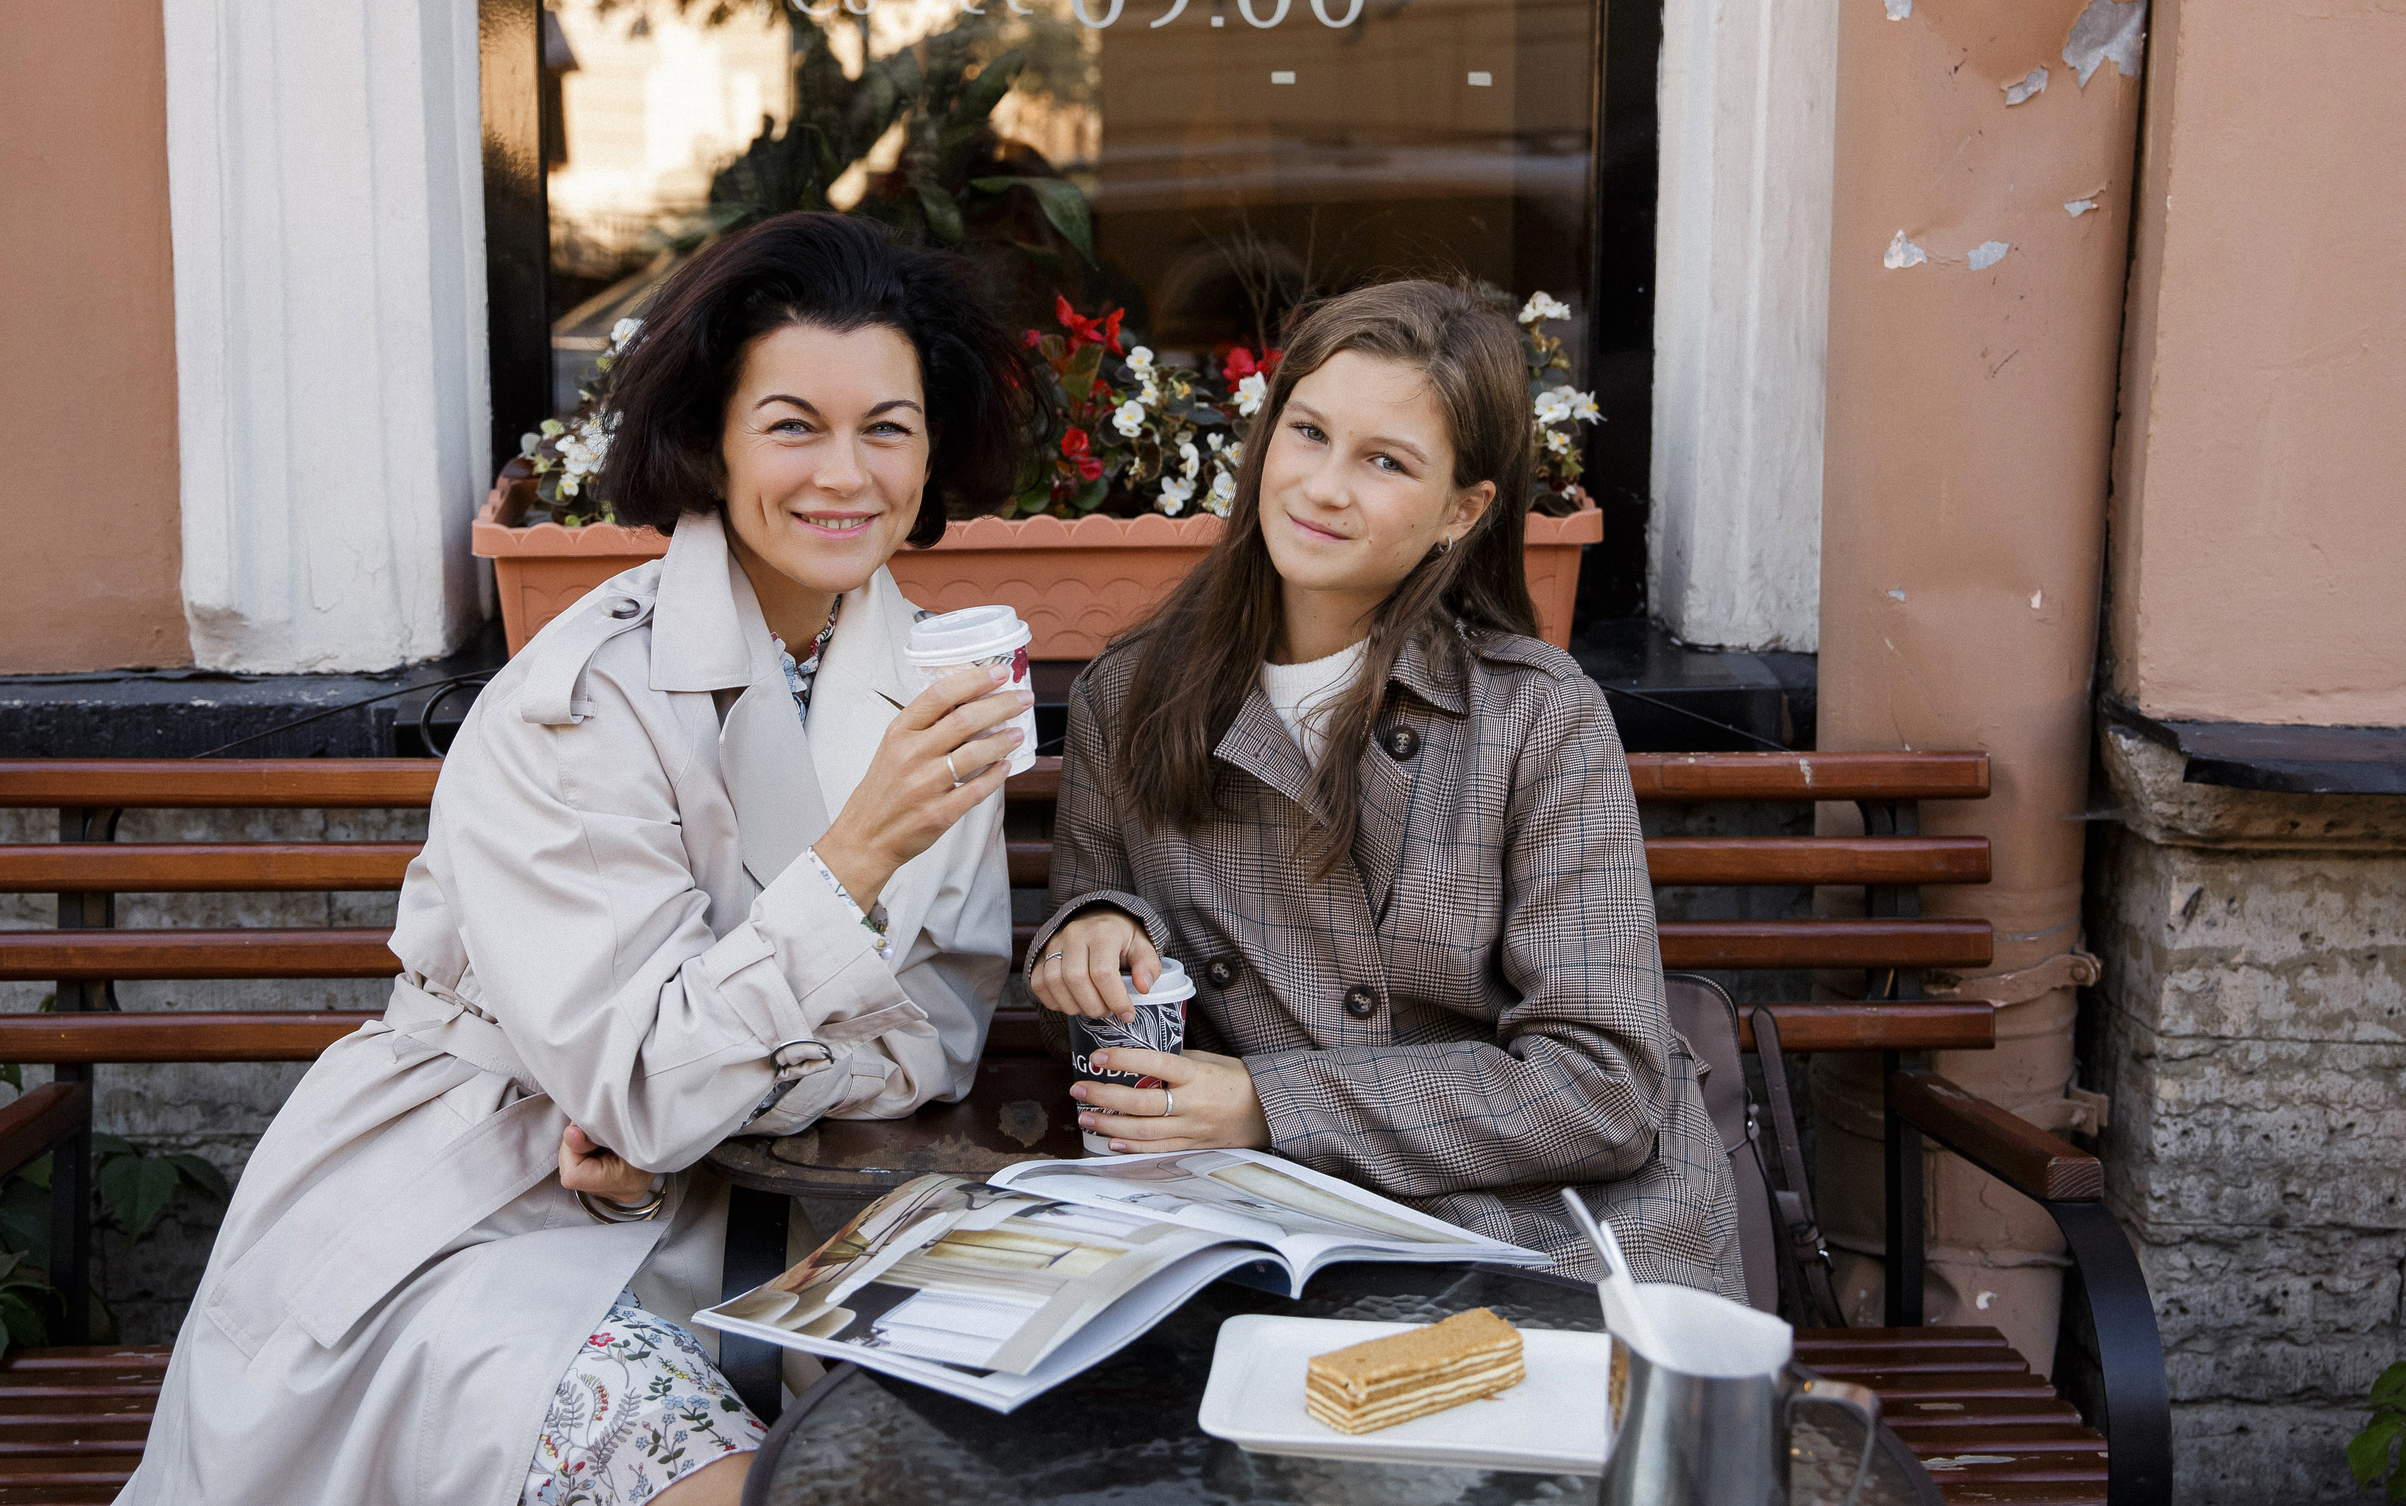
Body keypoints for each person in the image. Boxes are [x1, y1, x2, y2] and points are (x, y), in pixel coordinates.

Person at [121, 213, 1041, 1506]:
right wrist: (853, 861)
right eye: (793, 425)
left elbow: (933, 1033)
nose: (845, 473)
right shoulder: (580, 701)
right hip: (494, 1210)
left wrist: (710, 1094)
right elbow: (645, 1085)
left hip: (794, 1212)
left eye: (886, 427)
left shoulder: (935, 682)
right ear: (711, 439)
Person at [1025, 279, 1745, 1295]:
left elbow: (1603, 1086)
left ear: (1462, 510)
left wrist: (1270, 1103)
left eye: (1385, 461)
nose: (1323, 487)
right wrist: (1096, 935)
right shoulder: (1133, 695)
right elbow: (1105, 1021)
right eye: (1308, 432)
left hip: (1555, 1238)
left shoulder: (1536, 715)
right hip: (1278, 1238)